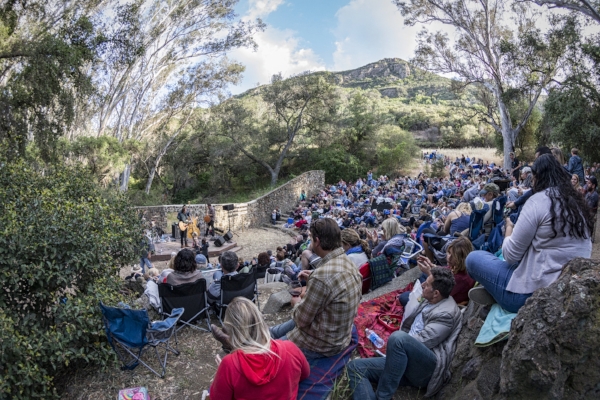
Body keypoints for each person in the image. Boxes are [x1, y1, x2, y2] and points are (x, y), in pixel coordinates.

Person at [467, 154, 593, 313]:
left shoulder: (538, 201)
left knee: (473, 258)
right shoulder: (577, 204)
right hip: (568, 287)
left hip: (529, 295)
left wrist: (509, 229)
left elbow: (510, 256)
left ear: (537, 177)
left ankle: (497, 294)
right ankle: (494, 292)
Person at [347, 267, 462, 399]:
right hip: (406, 359)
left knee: (398, 339)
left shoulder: (446, 314)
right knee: (355, 367)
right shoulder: (431, 299)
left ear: (436, 293)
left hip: (425, 369)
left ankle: (383, 396)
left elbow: (423, 342)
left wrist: (394, 348)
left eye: (427, 284)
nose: (423, 284)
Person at [263, 218, 361, 360]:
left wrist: (296, 303)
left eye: (310, 238)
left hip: (321, 344)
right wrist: (314, 277)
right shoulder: (348, 263)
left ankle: (259, 344)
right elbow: (332, 286)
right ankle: (267, 333)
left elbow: (301, 320)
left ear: (317, 241)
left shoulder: (322, 277)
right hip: (339, 335)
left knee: (268, 351)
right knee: (283, 327)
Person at [209, 297, 310, 400]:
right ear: (261, 321)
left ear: (231, 330)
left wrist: (224, 372)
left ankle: (232, 344)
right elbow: (305, 374)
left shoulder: (229, 365)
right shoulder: (290, 349)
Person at [400, 236, 475, 306]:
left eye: (454, 256)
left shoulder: (461, 279)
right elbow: (445, 270)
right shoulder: (457, 266)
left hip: (441, 301)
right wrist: (431, 264)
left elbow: (441, 293)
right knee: (423, 275)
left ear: (461, 259)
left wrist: (430, 273)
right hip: (440, 289)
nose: (449, 257)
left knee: (403, 298)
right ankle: (421, 292)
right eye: (449, 253)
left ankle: (419, 301)